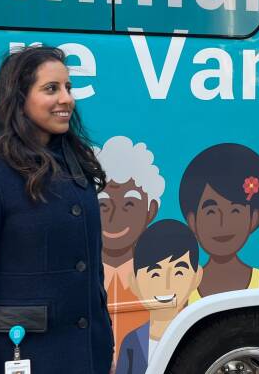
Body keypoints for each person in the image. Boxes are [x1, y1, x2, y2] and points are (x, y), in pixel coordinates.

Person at [0, 46, 114, 374]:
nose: (66, 99)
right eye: (51, 89)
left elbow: (90, 274)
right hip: (20, 359)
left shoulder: (76, 165)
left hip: (86, 360)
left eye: (68, 88)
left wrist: (103, 346)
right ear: (18, 97)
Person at [94, 136, 165, 364]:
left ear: (150, 211)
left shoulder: (158, 279)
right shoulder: (80, 275)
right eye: (103, 204)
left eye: (129, 204)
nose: (114, 218)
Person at [178, 143, 259, 302]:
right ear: (192, 222)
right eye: (211, 212)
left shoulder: (257, 278)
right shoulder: (190, 284)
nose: (223, 223)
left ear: (253, 219)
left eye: (235, 211)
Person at [115, 220, 202, 374]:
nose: (167, 285)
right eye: (155, 274)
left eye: (178, 272)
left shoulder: (197, 335)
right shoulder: (131, 342)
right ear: (134, 282)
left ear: (196, 277)